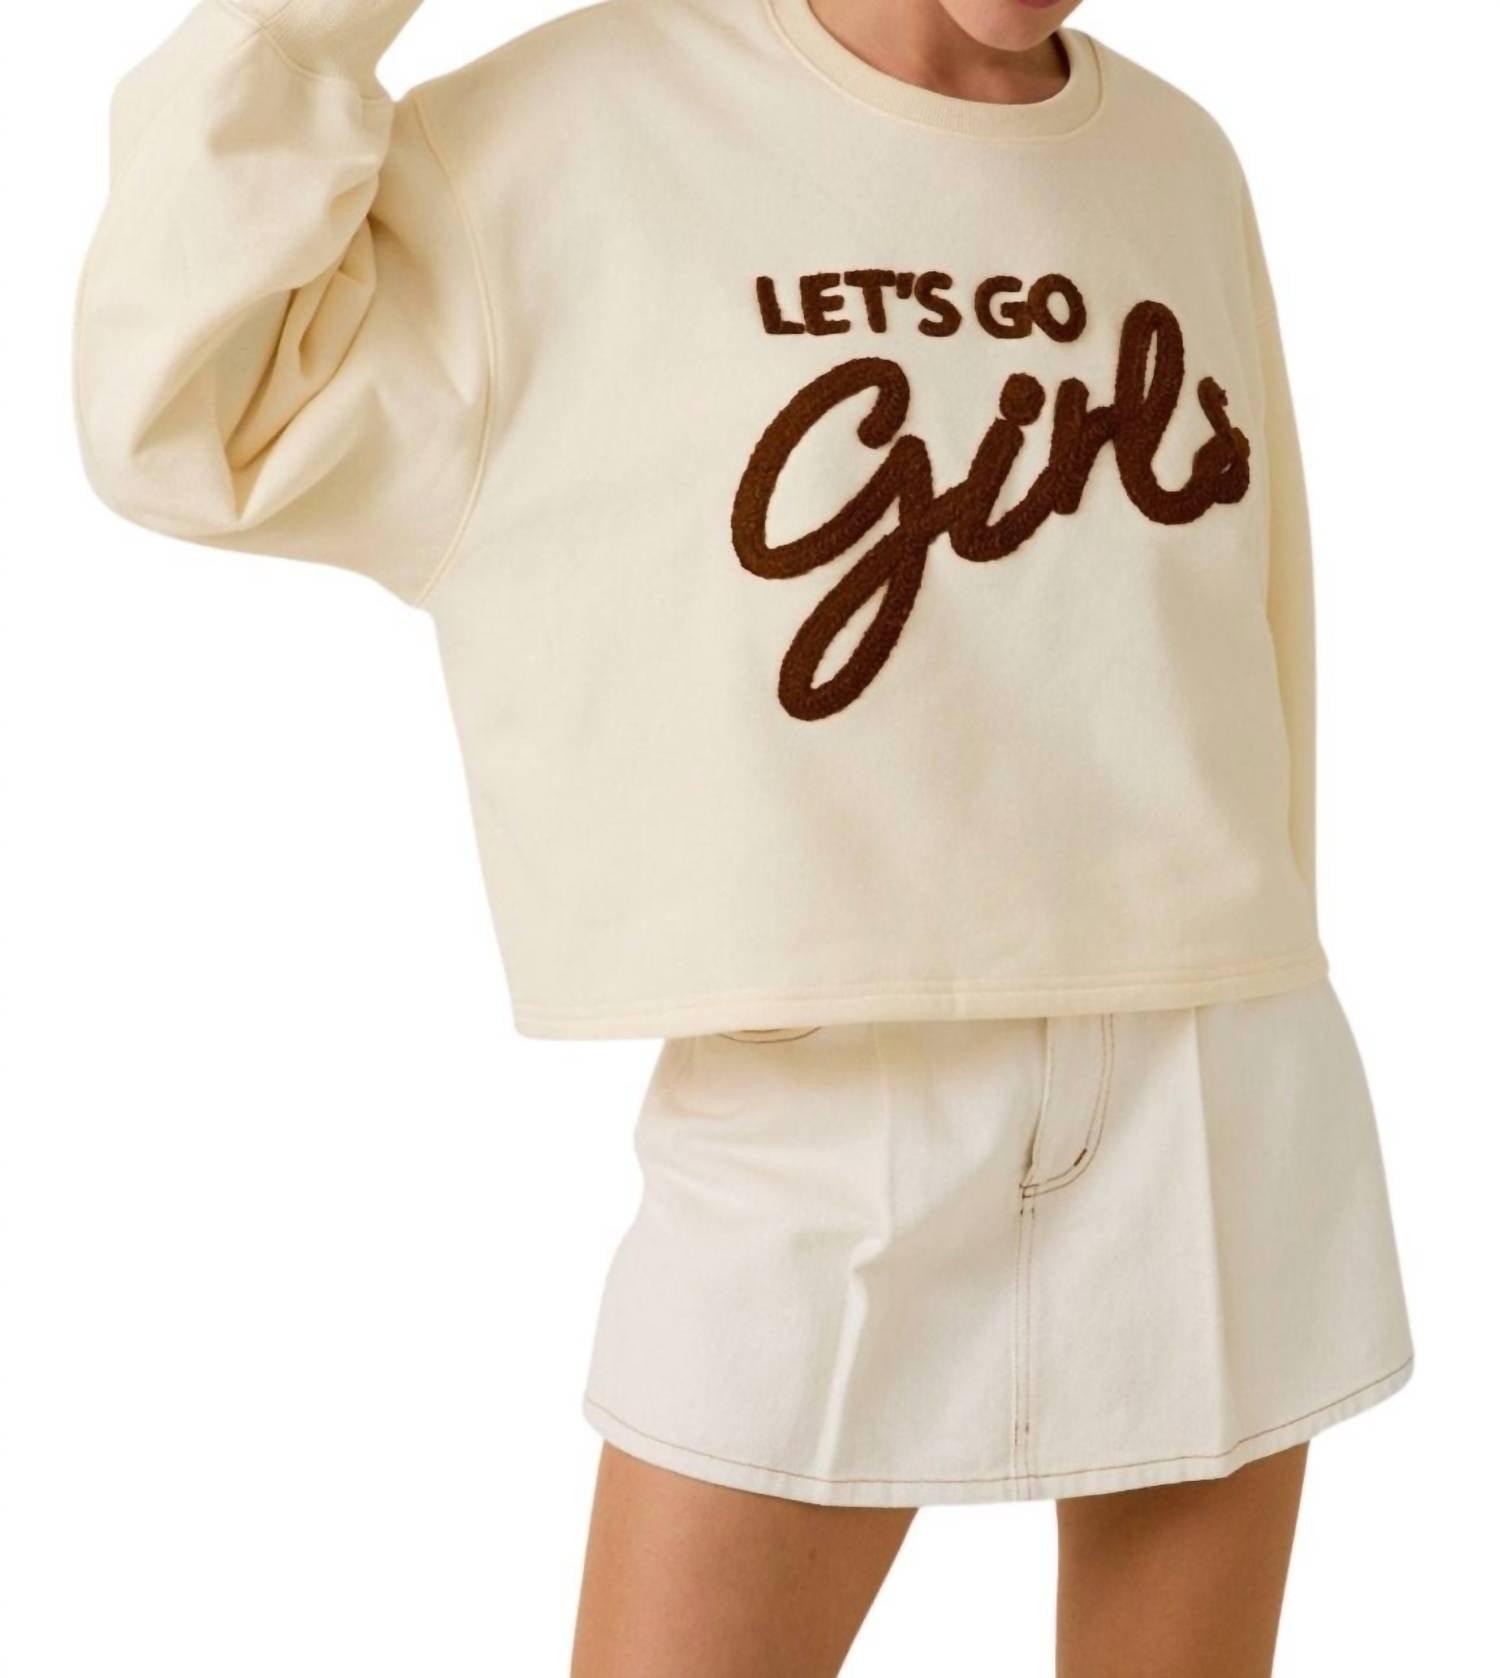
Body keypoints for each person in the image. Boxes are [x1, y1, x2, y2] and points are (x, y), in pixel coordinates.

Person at [74, 0, 1414, 1671]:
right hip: (812, 1112)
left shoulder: (1176, 162)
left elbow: (1251, 649)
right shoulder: (566, 136)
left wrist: (1282, 954)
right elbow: (175, 406)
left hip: (1216, 1081)